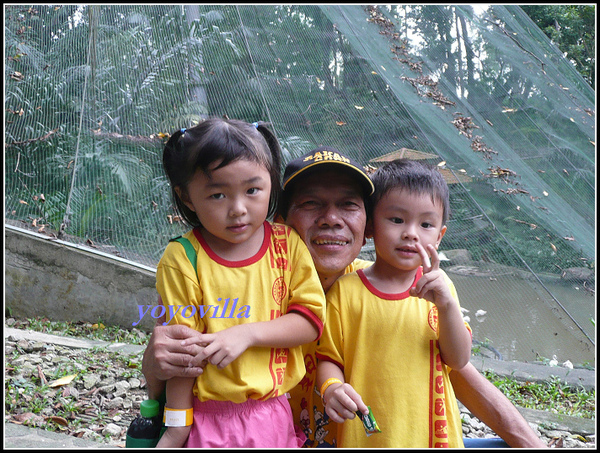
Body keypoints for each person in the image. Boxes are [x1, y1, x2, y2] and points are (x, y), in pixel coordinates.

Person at [142, 146, 547, 448]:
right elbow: (168, 383)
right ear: (279, 220)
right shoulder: (238, 289)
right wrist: (153, 362)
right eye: (311, 203)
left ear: (367, 225)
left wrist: (530, 442)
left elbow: (455, 367)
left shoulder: (383, 290)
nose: (331, 218)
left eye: (348, 205)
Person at [153, 118, 325, 448]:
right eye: (218, 195)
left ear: (271, 183)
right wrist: (176, 429)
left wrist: (246, 333)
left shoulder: (286, 245)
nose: (238, 209)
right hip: (209, 422)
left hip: (274, 416)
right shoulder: (183, 258)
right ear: (187, 197)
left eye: (252, 190)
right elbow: (182, 355)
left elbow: (310, 321)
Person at [315, 159, 471, 447]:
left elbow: (459, 359)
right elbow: (328, 358)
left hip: (430, 435)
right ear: (371, 226)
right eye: (397, 220)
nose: (411, 233)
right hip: (367, 435)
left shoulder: (440, 290)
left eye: (426, 224)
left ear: (440, 236)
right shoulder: (346, 292)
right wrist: (332, 388)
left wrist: (447, 307)